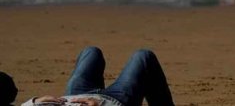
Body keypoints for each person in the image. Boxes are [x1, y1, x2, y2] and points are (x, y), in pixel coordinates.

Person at [22, 47, 174, 106]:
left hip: (74, 96)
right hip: (115, 101)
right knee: (143, 56)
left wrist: (34, 102)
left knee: (91, 52)